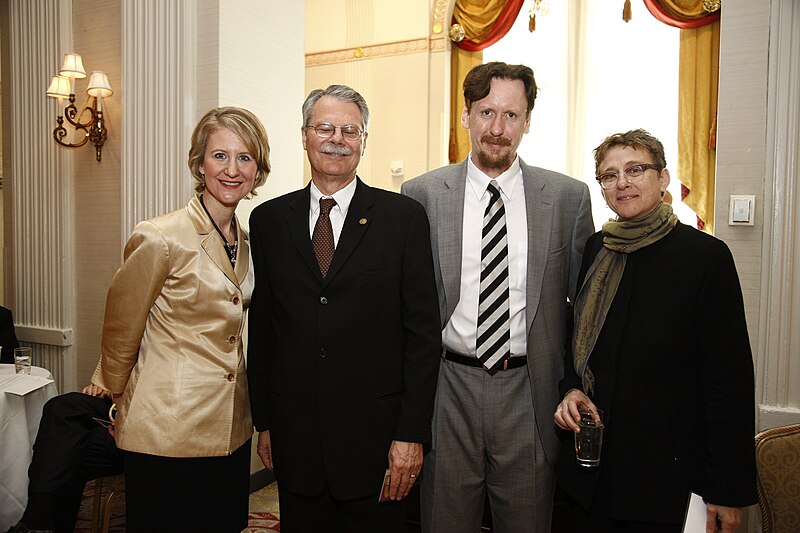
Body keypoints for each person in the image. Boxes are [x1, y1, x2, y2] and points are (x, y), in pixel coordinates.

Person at [401, 61, 595, 532]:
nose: (497, 128)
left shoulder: (568, 198)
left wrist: (575, 385)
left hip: (529, 392)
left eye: (512, 115)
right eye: (486, 112)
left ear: (527, 121)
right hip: (447, 389)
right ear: (465, 115)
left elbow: (584, 313)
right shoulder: (420, 195)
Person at [247, 84, 441, 533]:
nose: (337, 138)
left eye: (350, 130)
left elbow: (423, 335)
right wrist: (265, 421)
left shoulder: (403, 218)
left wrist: (410, 434)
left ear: (364, 140)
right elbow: (266, 328)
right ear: (304, 135)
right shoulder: (269, 220)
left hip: (376, 446)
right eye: (325, 127)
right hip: (296, 439)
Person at [553, 129, 757, 532]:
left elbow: (729, 384)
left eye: (635, 169)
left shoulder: (705, 258)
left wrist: (727, 492)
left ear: (663, 179)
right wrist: (571, 388)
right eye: (609, 175)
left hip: (665, 481)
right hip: (591, 476)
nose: (622, 182)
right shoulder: (597, 249)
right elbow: (577, 342)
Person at [91, 106, 270, 532]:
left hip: (229, 427)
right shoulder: (160, 235)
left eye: (244, 158)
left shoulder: (247, 241)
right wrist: (115, 395)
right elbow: (121, 327)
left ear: (257, 170)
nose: (232, 169)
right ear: (200, 162)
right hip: (166, 426)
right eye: (220, 156)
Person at [5, 382, 122, 533]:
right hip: (122, 407)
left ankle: (35, 522)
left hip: (148, 432)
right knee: (61, 406)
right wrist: (107, 388)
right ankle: (38, 522)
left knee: (66, 445)